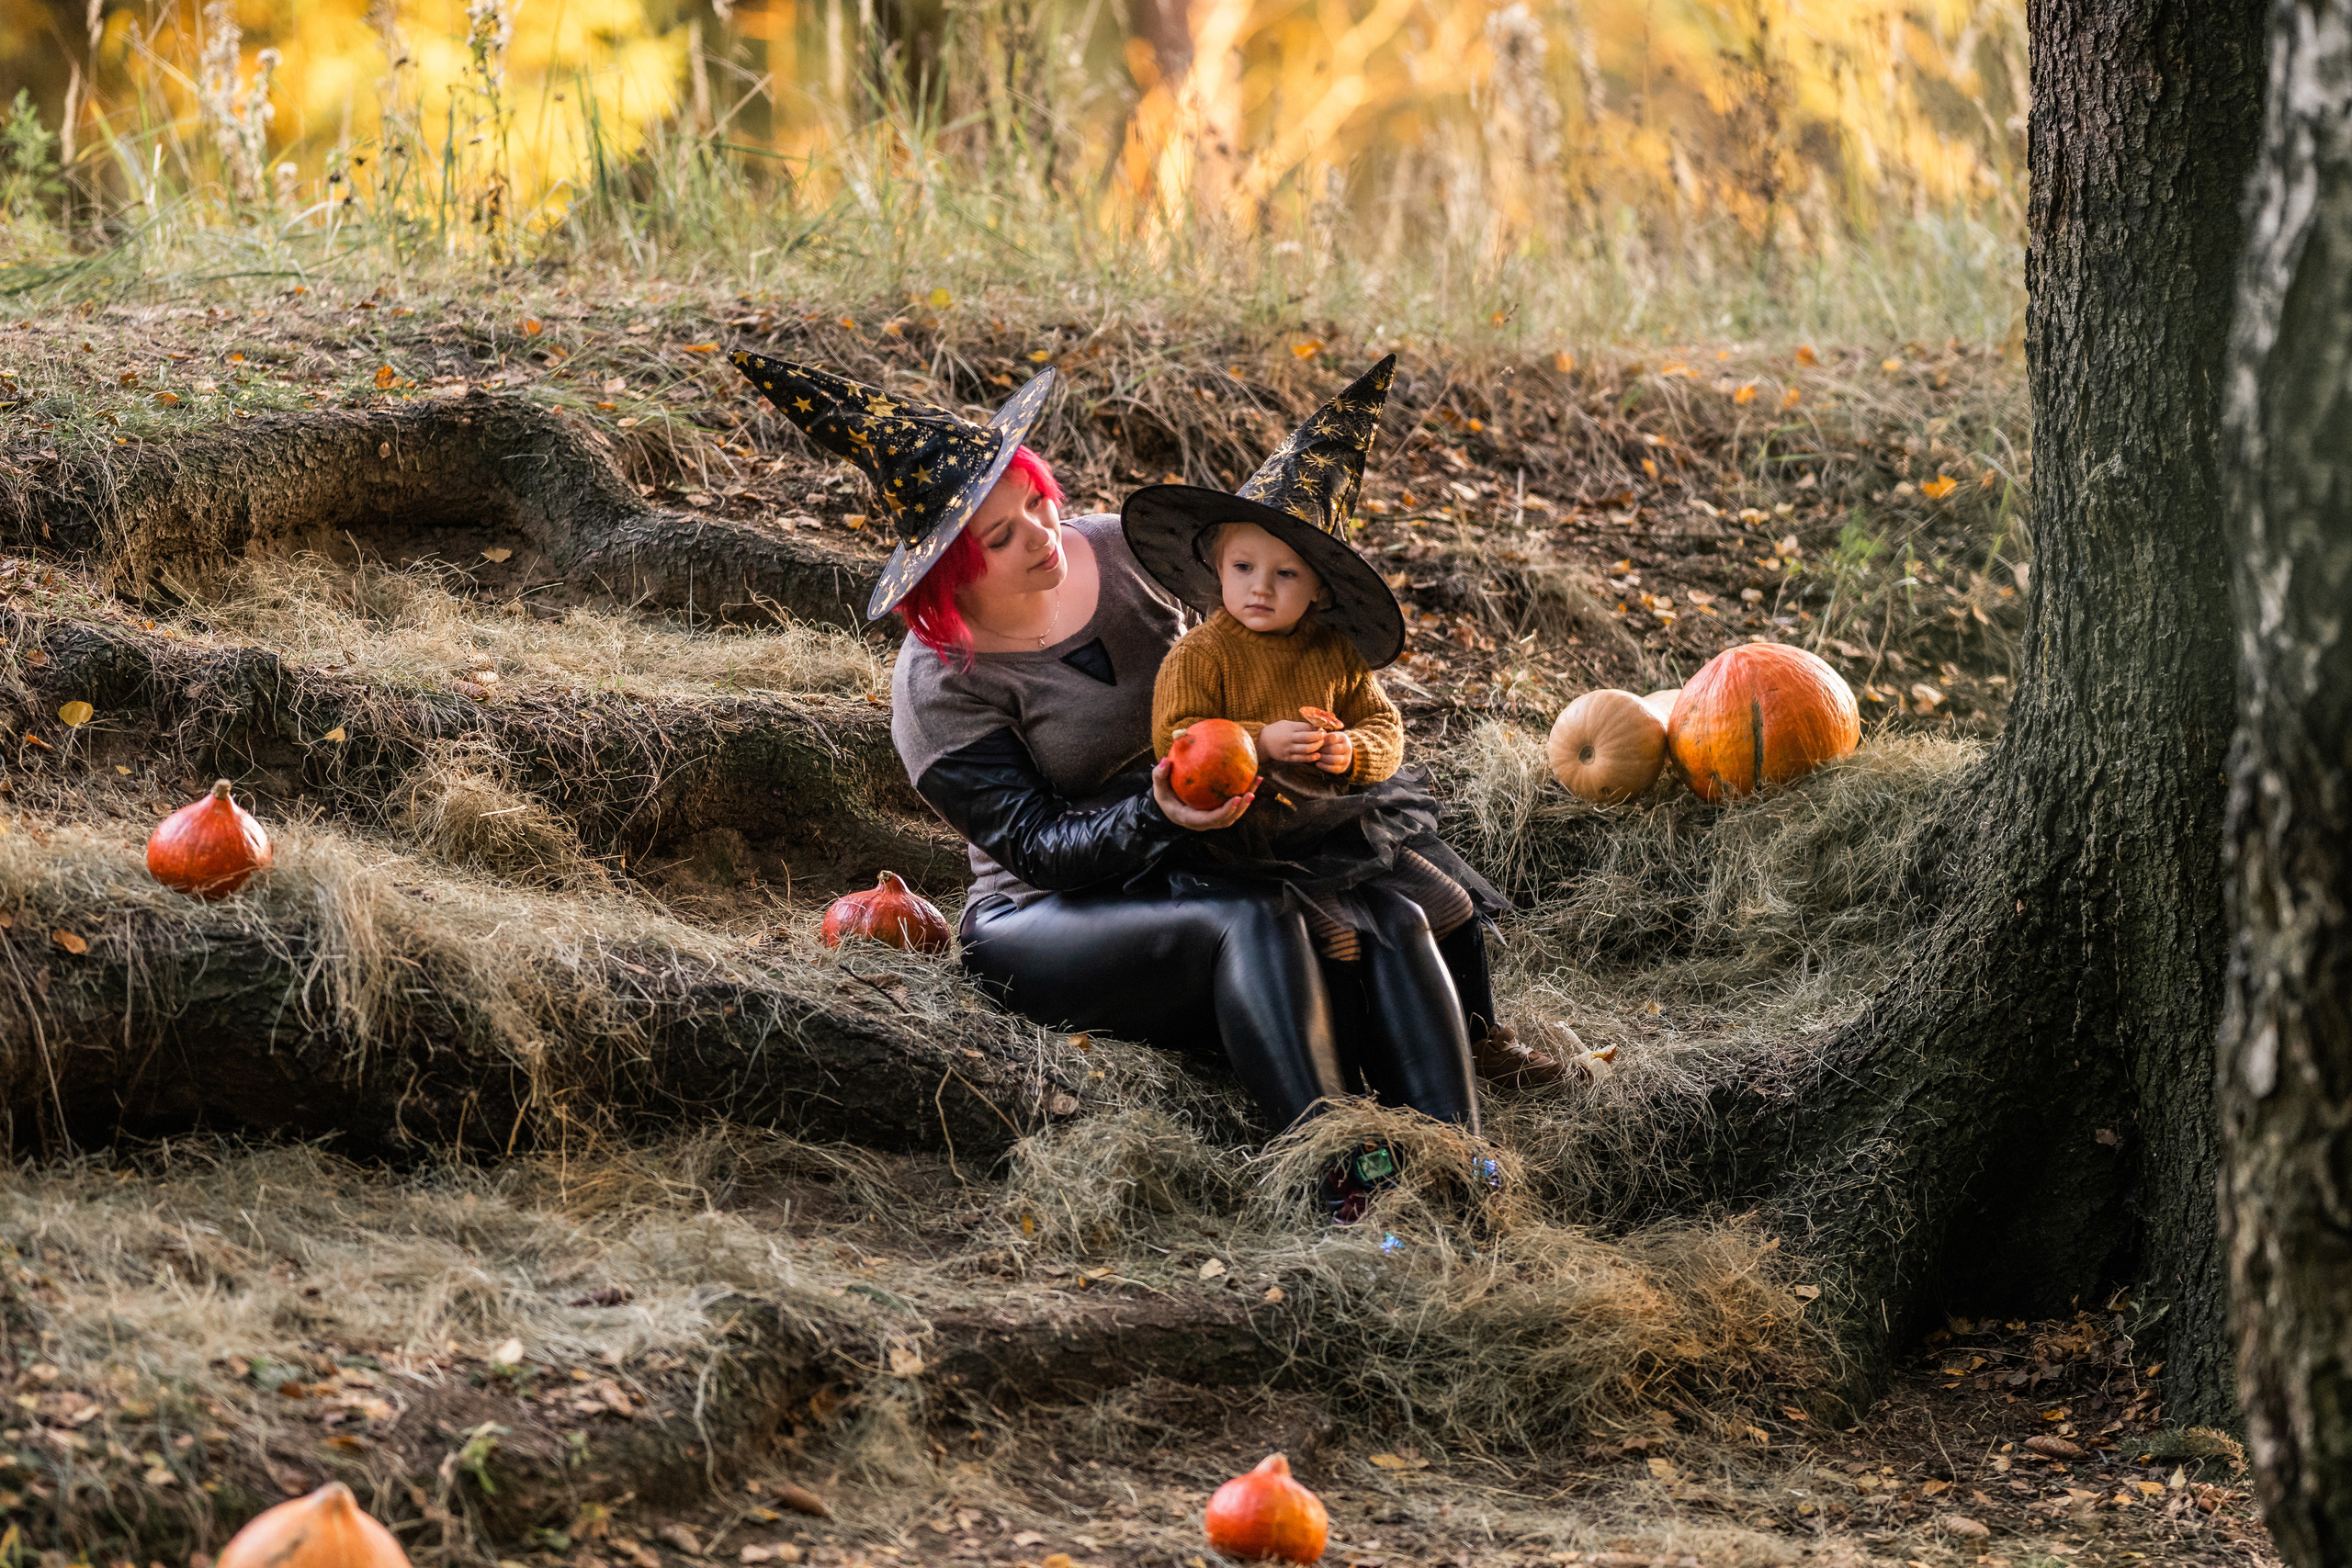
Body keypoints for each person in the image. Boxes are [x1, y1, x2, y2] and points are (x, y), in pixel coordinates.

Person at [727, 350, 1548, 1188]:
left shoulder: (1123, 555)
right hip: (1050, 911)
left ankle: (1462, 1156)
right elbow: (1037, 845)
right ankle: (1337, 1177)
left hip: (1205, 851)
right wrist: (1161, 816)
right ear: (947, 569)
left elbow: (1243, 645)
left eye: (1037, 504)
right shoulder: (936, 683)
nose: (1042, 536)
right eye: (1000, 537)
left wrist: (1309, 736)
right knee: (1255, 919)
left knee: (1387, 910)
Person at [1128, 356, 1566, 1089]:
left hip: (1345, 822)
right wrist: (1259, 741)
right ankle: (1359, 1063)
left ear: (1321, 589)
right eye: (1243, 567)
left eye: (1286, 574)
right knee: (1339, 939)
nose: (1260, 588)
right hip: (1256, 840)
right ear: (1216, 565)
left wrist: (1347, 751)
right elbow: (1176, 741)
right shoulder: (1199, 655)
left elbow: (1385, 727)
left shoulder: (1333, 653)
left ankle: (1481, 1037)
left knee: (1450, 902)